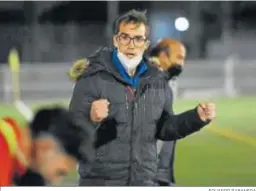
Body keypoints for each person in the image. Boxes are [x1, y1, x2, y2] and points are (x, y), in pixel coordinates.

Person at [69, 9, 216, 186]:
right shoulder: (92, 79)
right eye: (125, 37)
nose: (131, 45)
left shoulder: (158, 81)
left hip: (144, 182)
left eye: (138, 39)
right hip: (100, 182)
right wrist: (91, 118)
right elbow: (71, 134)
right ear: (116, 40)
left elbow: (165, 129)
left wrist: (196, 117)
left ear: (146, 44)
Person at [0, 107, 95, 186]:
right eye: (59, 172)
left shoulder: (12, 158)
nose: (55, 181)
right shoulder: (3, 150)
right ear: (46, 147)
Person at [149, 38, 186, 186]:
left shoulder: (163, 82)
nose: (182, 64)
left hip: (158, 174)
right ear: (163, 56)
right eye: (179, 57)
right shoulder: (153, 83)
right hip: (152, 175)